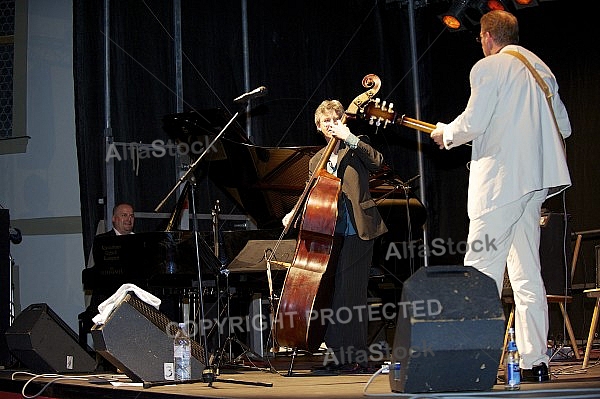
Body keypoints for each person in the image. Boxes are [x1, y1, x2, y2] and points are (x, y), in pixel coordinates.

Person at [430, 10, 571, 382]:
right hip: (534, 184)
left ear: (488, 36)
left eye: (480, 37)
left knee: (480, 271)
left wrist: (447, 133)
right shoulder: (540, 69)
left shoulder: (487, 68)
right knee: (527, 274)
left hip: (499, 185)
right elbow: (566, 128)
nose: (480, 43)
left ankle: (473, 361)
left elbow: (474, 122)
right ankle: (535, 361)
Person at [283, 99, 388, 374]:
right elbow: (311, 191)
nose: (330, 125)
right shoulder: (317, 160)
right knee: (331, 295)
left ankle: (355, 357)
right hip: (329, 232)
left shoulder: (356, 145)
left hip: (357, 229)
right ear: (319, 127)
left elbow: (377, 163)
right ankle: (338, 355)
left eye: (334, 120)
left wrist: (350, 138)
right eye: (325, 122)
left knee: (350, 294)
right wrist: (293, 212)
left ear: (342, 120)